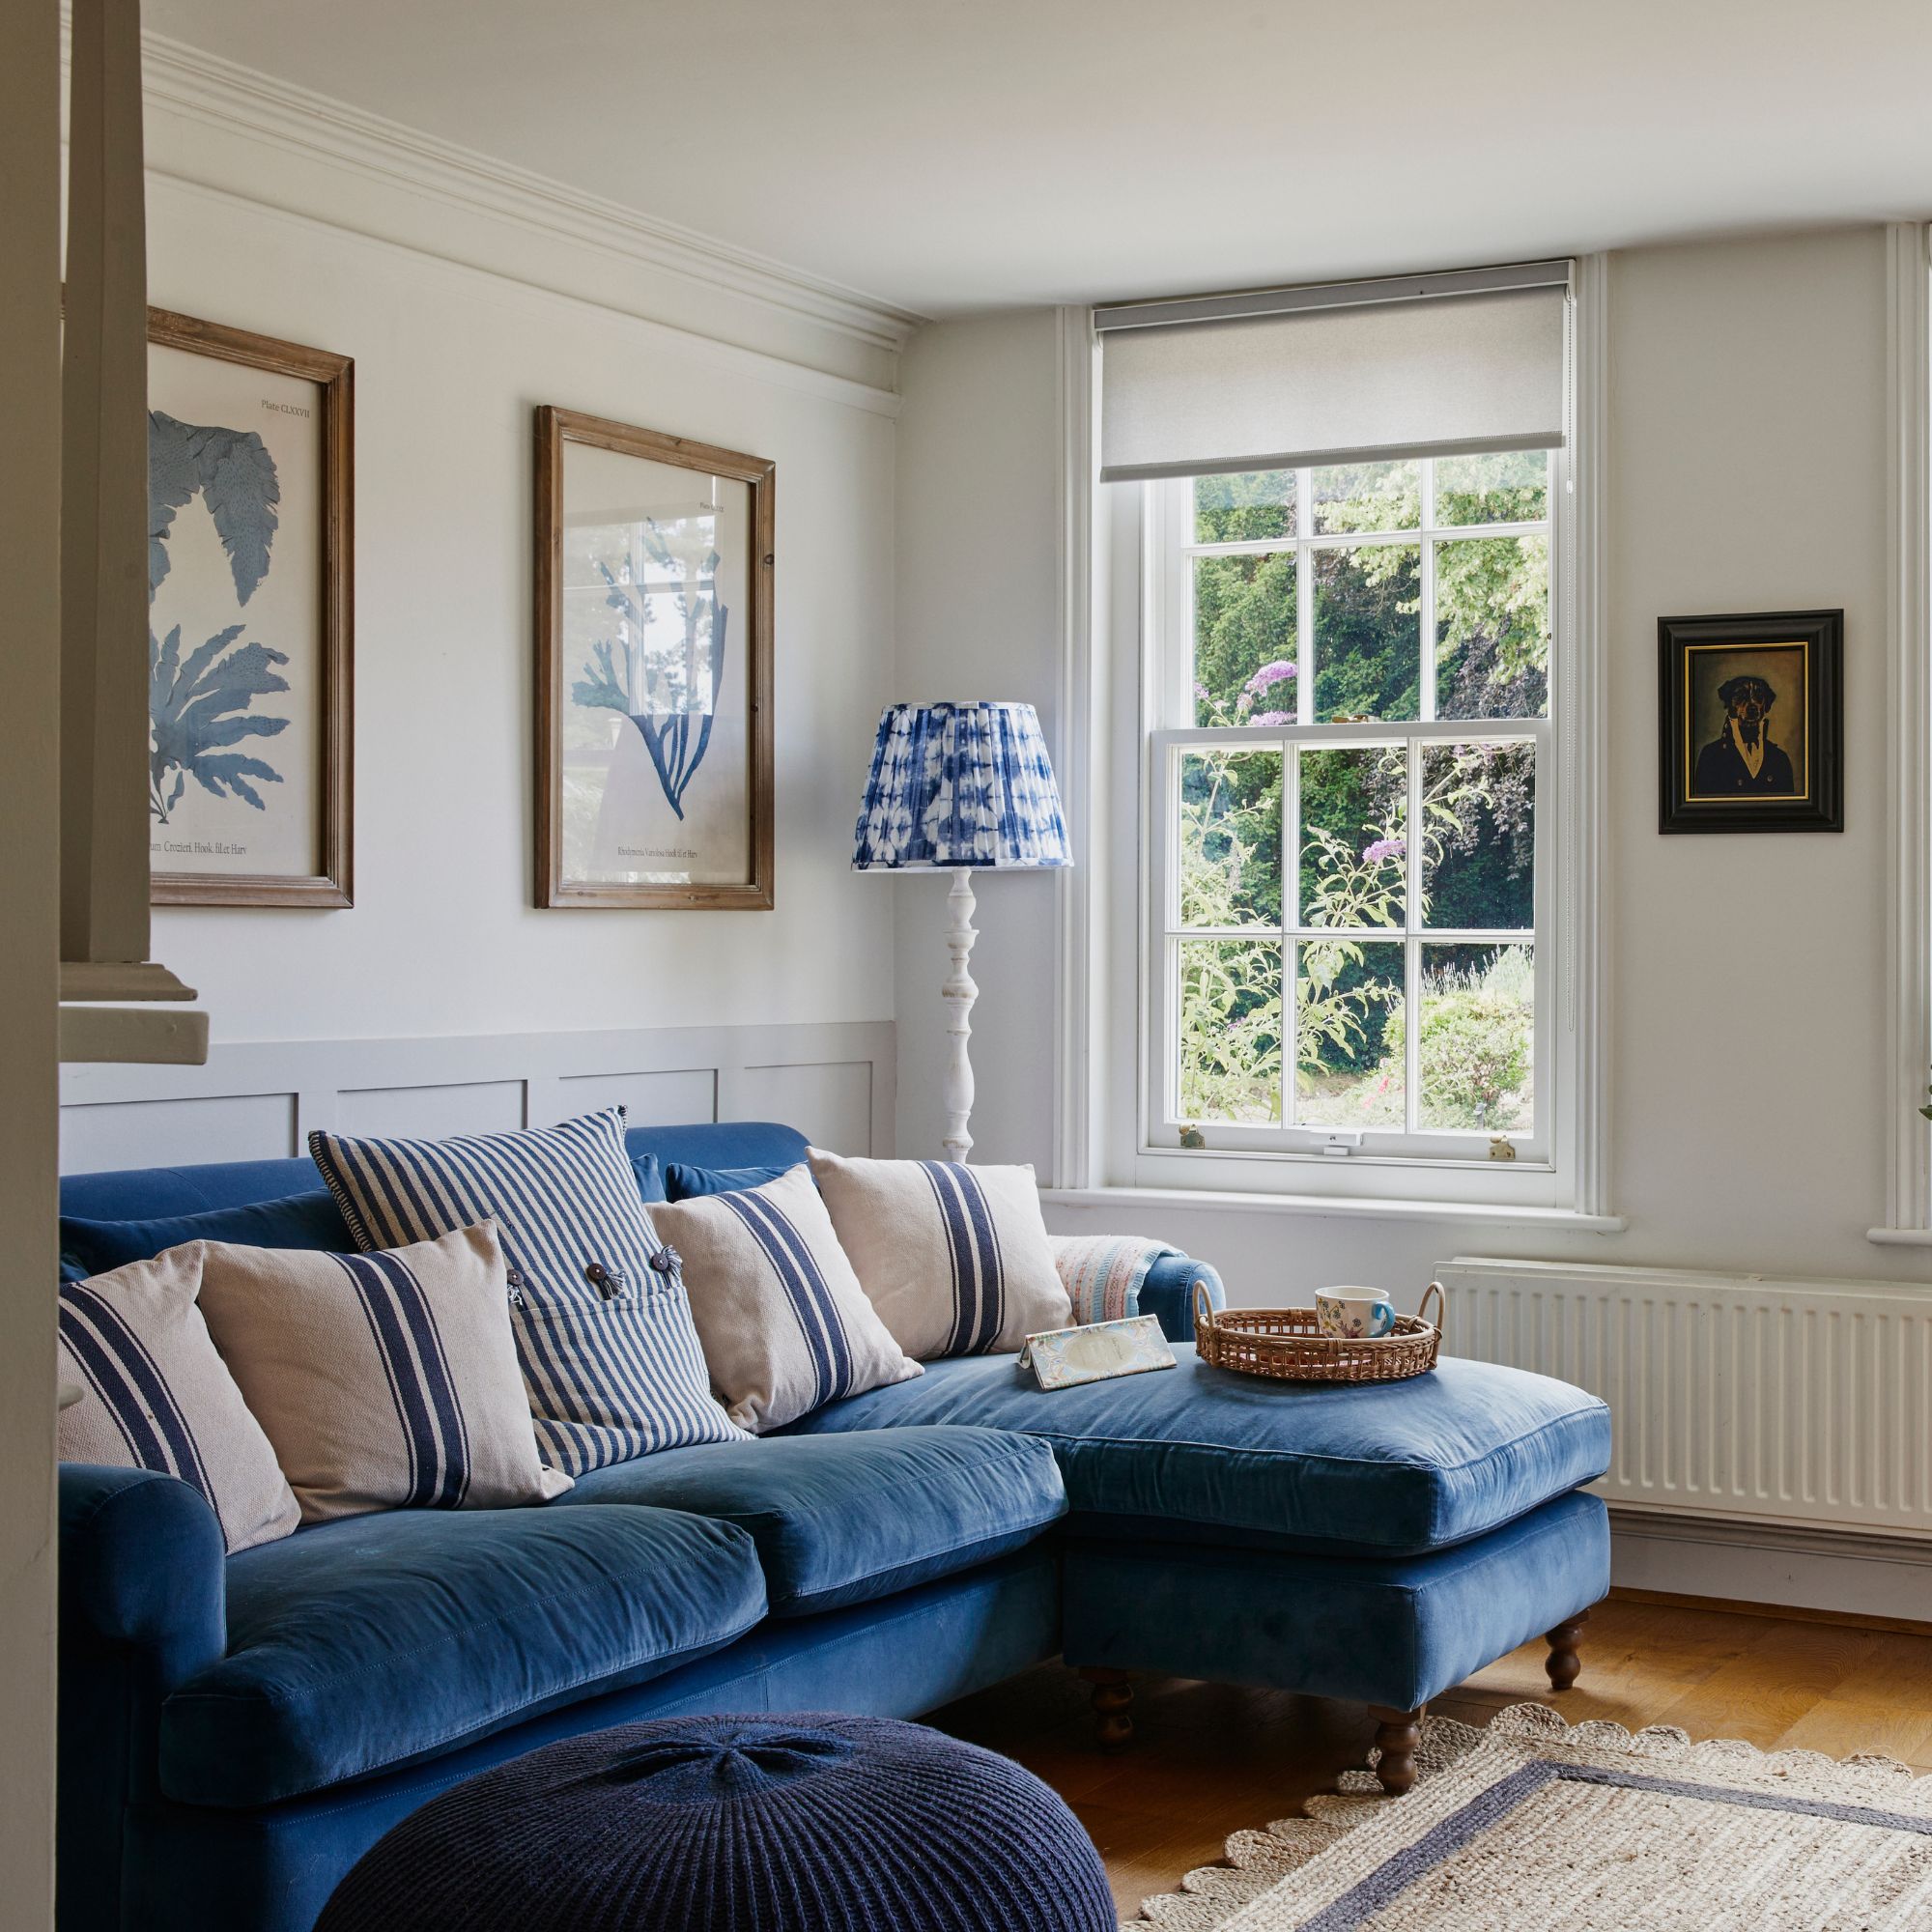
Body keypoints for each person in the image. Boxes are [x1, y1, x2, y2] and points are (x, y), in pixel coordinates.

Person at [1692, 673, 1796, 795]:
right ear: (1728, 702)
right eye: (1741, 696)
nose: (1752, 704)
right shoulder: (1711, 755)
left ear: (1766, 705)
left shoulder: (1779, 759)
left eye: (1759, 696)